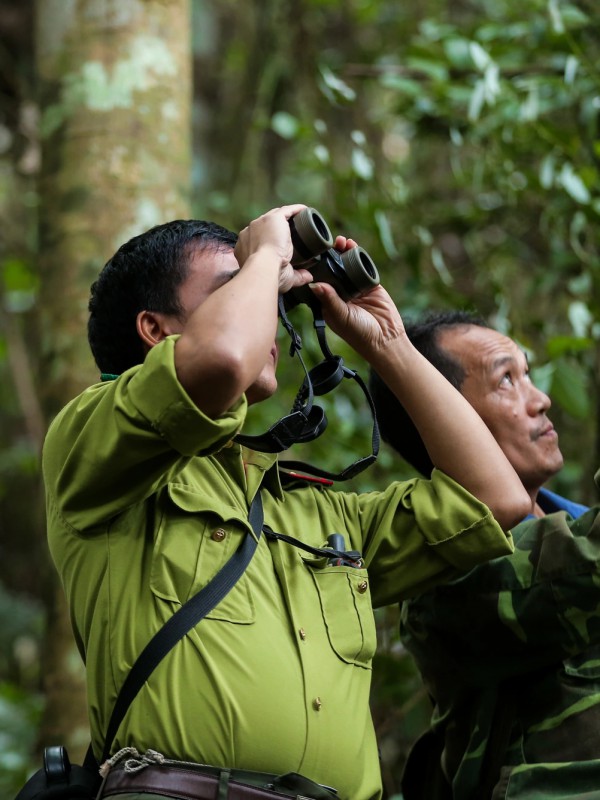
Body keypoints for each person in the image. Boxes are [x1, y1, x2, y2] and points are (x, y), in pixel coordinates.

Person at [42, 209, 530, 800]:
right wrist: (267, 257)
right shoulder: (93, 447)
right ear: (156, 329)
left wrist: (389, 344)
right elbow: (220, 359)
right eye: (238, 287)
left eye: (272, 297)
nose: (269, 315)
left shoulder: (314, 513)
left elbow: (494, 498)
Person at [369, 309, 599, 800]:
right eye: (506, 380)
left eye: (529, 375)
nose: (541, 400)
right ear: (444, 416)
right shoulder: (446, 573)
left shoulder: (575, 523)